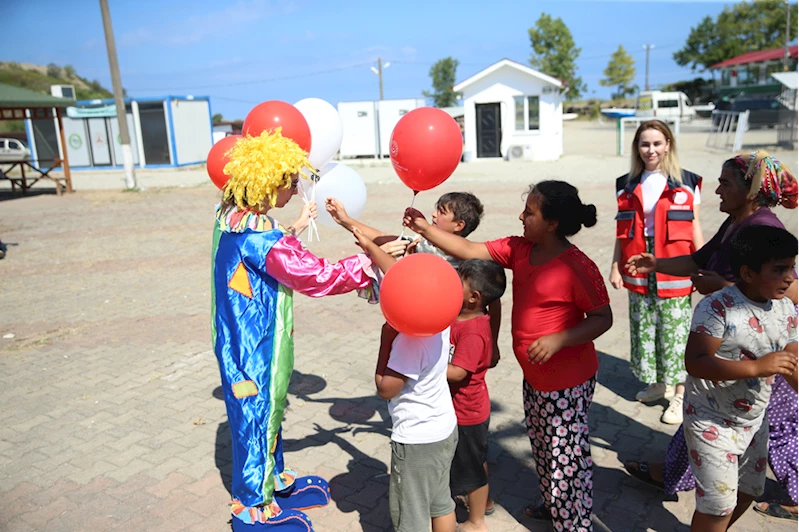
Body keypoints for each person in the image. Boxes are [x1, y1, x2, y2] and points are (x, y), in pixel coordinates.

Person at [404, 180, 613, 532]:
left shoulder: (577, 266)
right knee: (545, 451)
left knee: (567, 460)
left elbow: (603, 318)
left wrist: (560, 338)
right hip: (536, 380)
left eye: (529, 212)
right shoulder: (521, 249)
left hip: (568, 384)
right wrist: (425, 227)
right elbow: (468, 248)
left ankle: (575, 523)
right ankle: (554, 506)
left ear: (552, 223)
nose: (521, 216)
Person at [211, 130, 381, 531]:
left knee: (269, 410)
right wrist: (368, 264)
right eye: (289, 182)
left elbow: (266, 252)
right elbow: (314, 275)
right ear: (269, 184)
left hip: (242, 340)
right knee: (257, 415)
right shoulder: (259, 236)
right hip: (255, 347)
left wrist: (293, 228)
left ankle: (273, 478)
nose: (295, 190)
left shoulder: (233, 219)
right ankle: (253, 506)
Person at [622, 151, 799, 521]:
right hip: (724, 378)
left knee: (775, 436)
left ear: (750, 190)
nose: (716, 189)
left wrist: (725, 287)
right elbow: (701, 260)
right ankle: (672, 479)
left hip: (762, 352)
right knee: (706, 436)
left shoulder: (763, 230)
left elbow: (789, 290)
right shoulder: (737, 221)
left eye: (725, 183)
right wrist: (658, 264)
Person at [682, 225, 798, 532]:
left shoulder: (786, 308)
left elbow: (792, 360)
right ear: (747, 273)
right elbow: (696, 361)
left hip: (753, 420)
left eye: (793, 268)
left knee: (748, 491)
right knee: (718, 506)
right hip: (710, 419)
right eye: (779, 269)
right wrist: (756, 368)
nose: (790, 277)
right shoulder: (717, 307)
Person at [353, 230, 459, 532]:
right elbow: (400, 273)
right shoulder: (439, 314)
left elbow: (386, 387)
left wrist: (386, 340)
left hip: (416, 440)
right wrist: (371, 247)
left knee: (410, 515)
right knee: (441, 502)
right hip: (443, 429)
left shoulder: (409, 340)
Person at [326, 192, 502, 367]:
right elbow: (383, 238)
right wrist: (345, 220)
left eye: (441, 211)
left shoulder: (469, 260)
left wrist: (492, 342)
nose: (433, 214)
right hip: (415, 328)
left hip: (446, 335)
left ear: (459, 225)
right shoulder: (422, 244)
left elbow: (493, 299)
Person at [609, 120, 704, 425]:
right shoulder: (625, 183)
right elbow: (621, 232)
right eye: (645, 144)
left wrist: (703, 265)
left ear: (668, 144)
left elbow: (695, 226)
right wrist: (614, 265)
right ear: (637, 147)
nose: (651, 150)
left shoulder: (688, 182)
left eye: (657, 143)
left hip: (675, 266)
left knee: (675, 333)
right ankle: (657, 385)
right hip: (638, 268)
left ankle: (679, 392)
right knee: (645, 330)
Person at [447, 259, 507, 532]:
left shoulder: (472, 331)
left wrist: (428, 368)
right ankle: (482, 503)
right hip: (460, 410)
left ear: (474, 297)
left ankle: (477, 522)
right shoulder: (462, 316)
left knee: (473, 468)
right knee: (472, 463)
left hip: (467, 413)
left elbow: (458, 372)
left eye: (460, 280)